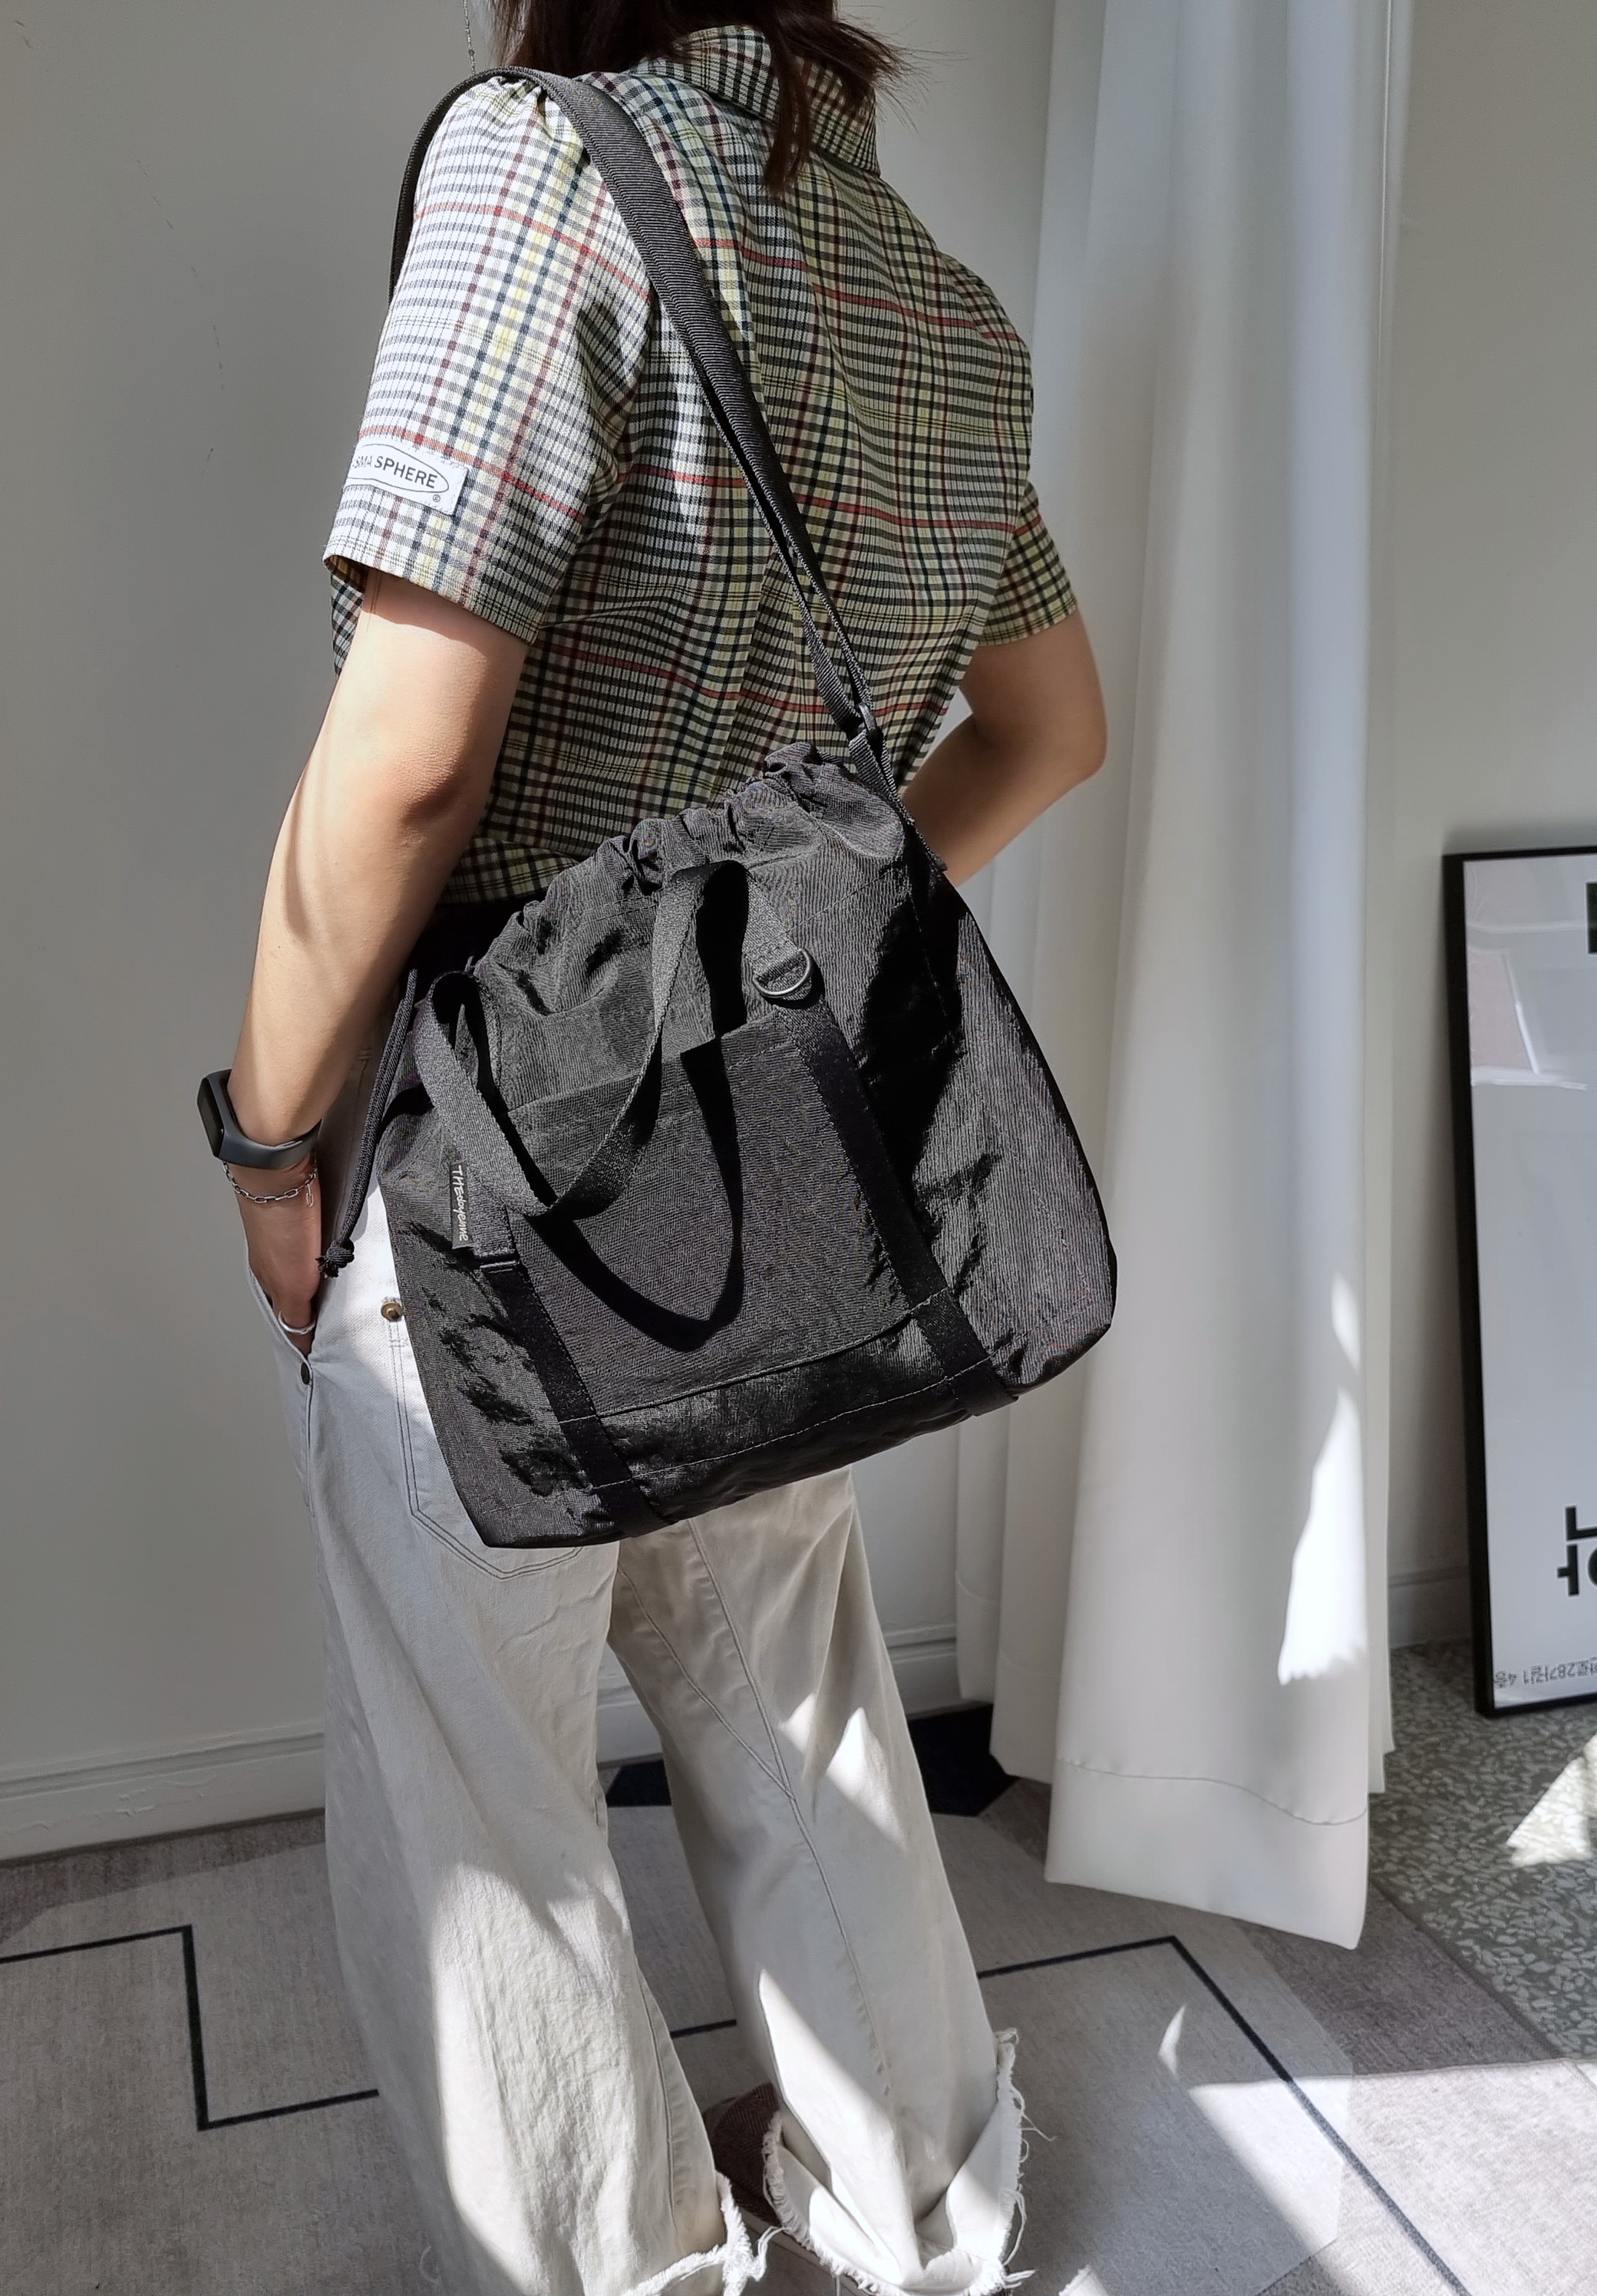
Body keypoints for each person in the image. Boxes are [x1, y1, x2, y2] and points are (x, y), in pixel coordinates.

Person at [216, 7, 1104, 2289]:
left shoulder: (541, 167)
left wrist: (266, 1142)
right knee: (794, 1696)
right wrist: (789, 940)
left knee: (481, 1803)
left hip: (488, 1158)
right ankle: (927, 2212)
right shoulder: (943, 308)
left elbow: (409, 763)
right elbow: (1050, 725)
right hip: (771, 1157)